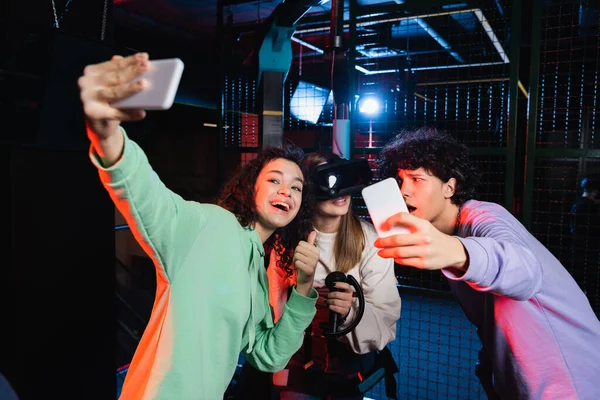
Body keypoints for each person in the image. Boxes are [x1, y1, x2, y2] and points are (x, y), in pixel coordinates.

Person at [78, 52, 320, 399]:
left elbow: (270, 356)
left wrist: (303, 288)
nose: (287, 190)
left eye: (296, 187)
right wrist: (108, 136)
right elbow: (149, 197)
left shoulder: (257, 270)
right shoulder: (211, 224)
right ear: (250, 188)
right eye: (274, 180)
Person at [374, 127, 600, 399]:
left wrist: (457, 251)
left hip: (570, 379)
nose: (403, 191)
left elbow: (525, 271)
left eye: (416, 179)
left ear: (450, 187)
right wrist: (492, 365)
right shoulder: (446, 234)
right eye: (399, 181)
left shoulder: (484, 216)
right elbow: (491, 317)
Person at [236, 152, 401, 399]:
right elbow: (269, 318)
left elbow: (384, 326)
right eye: (330, 181)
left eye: (344, 180)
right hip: (290, 365)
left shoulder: (371, 241)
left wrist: (350, 313)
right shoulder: (283, 238)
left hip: (342, 372)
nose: (341, 191)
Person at [569, 175, 600, 301]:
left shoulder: (578, 204)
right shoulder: (587, 207)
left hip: (579, 250)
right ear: (595, 193)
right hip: (586, 252)